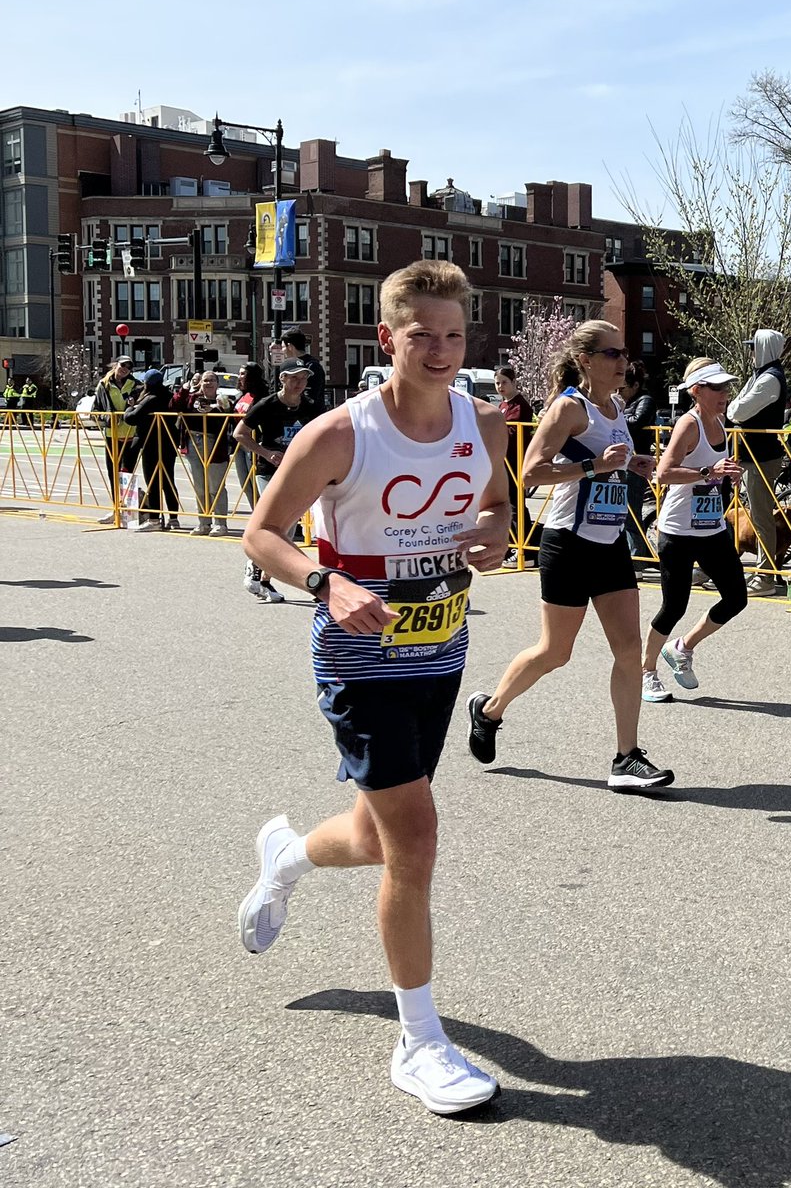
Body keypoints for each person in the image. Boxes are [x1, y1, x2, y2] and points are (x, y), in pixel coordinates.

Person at [236, 259, 509, 1115]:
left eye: (454, 336)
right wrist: (326, 583)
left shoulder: (486, 421)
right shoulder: (338, 436)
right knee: (416, 842)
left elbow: (495, 508)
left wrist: (494, 539)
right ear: (386, 337)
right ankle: (419, 1041)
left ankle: (286, 856)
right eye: (421, 335)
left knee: (376, 835)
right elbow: (259, 534)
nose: (439, 351)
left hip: (440, 651)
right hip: (358, 663)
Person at [466, 320, 674, 790]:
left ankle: (626, 758)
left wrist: (632, 465)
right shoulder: (569, 408)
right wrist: (592, 466)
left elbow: (609, 466)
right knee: (555, 652)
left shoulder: (616, 407)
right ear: (585, 361)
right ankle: (490, 709)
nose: (624, 361)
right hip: (568, 544)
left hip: (609, 544)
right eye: (613, 354)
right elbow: (530, 473)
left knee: (628, 651)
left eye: (624, 353)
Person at [640, 359, 747, 704]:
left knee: (736, 597)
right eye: (717, 388)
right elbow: (664, 473)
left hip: (711, 527)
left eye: (726, 387)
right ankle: (647, 671)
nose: (724, 393)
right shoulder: (689, 424)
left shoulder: (721, 423)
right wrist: (707, 470)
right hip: (678, 530)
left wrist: (728, 474)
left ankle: (683, 647)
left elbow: (712, 473)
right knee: (674, 606)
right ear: (696, 391)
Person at [232, 359, 314, 602]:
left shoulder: (309, 407)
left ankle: (263, 577)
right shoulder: (266, 405)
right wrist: (266, 452)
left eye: (304, 378)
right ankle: (256, 568)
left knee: (286, 530)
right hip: (268, 471)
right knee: (274, 525)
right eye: (294, 378)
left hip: (297, 472)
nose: (300, 383)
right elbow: (239, 434)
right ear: (282, 379)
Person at [727, 329, 789, 596]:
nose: (751, 352)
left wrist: (735, 408)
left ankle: (766, 576)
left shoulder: (769, 379)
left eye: (754, 347)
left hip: (760, 457)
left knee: (761, 517)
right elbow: (733, 410)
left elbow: (737, 411)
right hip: (750, 456)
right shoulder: (760, 376)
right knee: (754, 515)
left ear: (764, 348)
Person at [172, 370, 232, 536]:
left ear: (217, 384)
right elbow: (174, 405)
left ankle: (220, 524)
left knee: (216, 486)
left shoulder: (223, 399)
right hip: (193, 442)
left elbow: (230, 418)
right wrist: (185, 388)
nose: (208, 383)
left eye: (212, 380)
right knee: (199, 486)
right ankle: (203, 522)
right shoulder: (192, 398)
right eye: (205, 380)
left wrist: (221, 408)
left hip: (215, 444)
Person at [122, 370, 181, 531]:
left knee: (153, 482)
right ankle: (173, 519)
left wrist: (129, 407)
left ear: (147, 383)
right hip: (168, 444)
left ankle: (154, 520)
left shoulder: (150, 398)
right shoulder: (168, 396)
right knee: (169, 481)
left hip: (151, 444)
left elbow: (131, 418)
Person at [495, 364, 539, 568]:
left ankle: (524, 549)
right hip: (503, 464)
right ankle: (513, 545)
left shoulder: (520, 406)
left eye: (504, 382)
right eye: (497, 383)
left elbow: (514, 435)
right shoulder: (503, 405)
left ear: (513, 382)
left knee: (516, 505)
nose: (500, 386)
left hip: (516, 462)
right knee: (508, 505)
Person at [619, 360, 657, 577]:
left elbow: (637, 421)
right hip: (626, 460)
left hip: (638, 461)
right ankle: (631, 555)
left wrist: (617, 415)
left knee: (631, 511)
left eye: (623, 388)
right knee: (624, 510)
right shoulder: (628, 402)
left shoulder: (645, 400)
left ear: (634, 385)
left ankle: (636, 559)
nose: (620, 392)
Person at [95, 357, 140, 525]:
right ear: (115, 365)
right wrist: (106, 417)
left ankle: (128, 511)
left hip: (131, 433)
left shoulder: (136, 384)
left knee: (126, 472)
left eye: (129, 366)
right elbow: (96, 409)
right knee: (113, 472)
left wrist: (133, 406)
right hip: (112, 434)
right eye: (123, 365)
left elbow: (141, 404)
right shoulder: (104, 384)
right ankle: (116, 509)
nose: (125, 369)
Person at [232, 363, 270, 512]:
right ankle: (256, 514)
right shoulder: (243, 395)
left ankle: (264, 515)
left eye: (243, 374)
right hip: (239, 443)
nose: (240, 377)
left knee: (256, 482)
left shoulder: (262, 396)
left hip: (252, 441)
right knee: (245, 483)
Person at [280, 327, 327, 419]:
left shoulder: (312, 366)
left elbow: (311, 396)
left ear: (290, 346)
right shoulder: (287, 366)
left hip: (311, 419)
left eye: (283, 347)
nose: (282, 351)